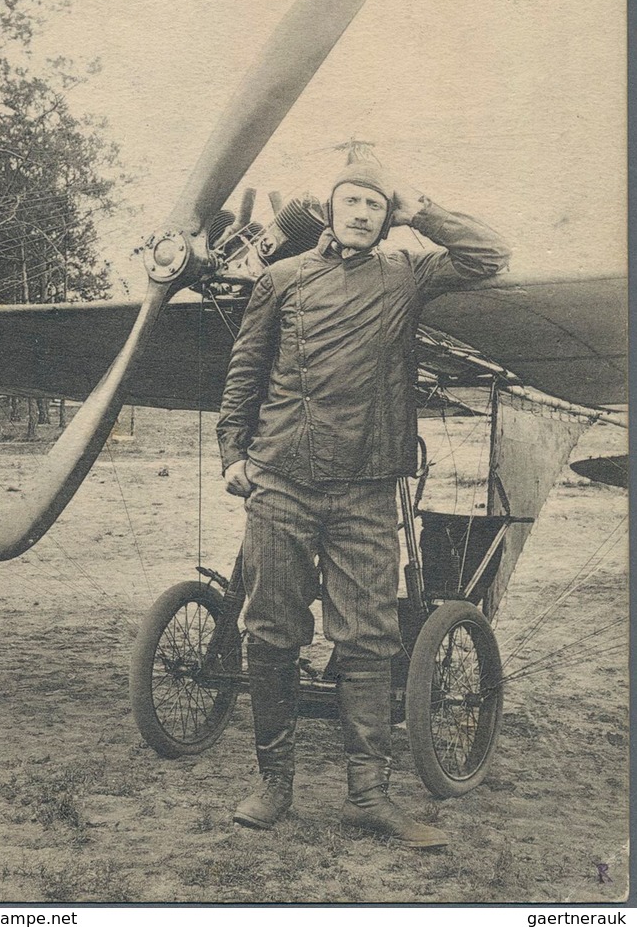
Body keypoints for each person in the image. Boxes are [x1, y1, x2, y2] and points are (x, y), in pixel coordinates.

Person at [216, 162, 510, 848]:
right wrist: (233, 453)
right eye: (350, 200)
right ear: (328, 209)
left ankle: (368, 796)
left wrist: (422, 208)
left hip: (368, 486)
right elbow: (243, 372)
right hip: (281, 480)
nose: (360, 213)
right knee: (270, 631)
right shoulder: (281, 279)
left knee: (368, 638)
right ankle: (273, 785)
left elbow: (488, 254)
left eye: (375, 205)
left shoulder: (405, 274)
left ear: (386, 216)